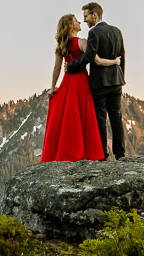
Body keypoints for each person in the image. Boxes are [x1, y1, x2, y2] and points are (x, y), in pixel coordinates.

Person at [40, 13, 103, 162]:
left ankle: (67, 151)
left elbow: (57, 68)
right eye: (76, 20)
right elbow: (94, 59)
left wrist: (52, 88)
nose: (80, 21)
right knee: (82, 115)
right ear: (70, 25)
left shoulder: (62, 46)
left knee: (69, 116)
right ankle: (84, 151)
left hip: (68, 82)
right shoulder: (81, 42)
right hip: (80, 81)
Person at [82, 1, 126, 160]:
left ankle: (103, 155)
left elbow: (88, 57)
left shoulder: (94, 33)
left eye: (86, 16)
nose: (85, 20)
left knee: (100, 118)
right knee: (116, 117)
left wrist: (72, 67)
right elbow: (122, 55)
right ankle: (120, 154)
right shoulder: (116, 31)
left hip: (99, 83)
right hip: (116, 81)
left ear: (95, 14)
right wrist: (122, 77)